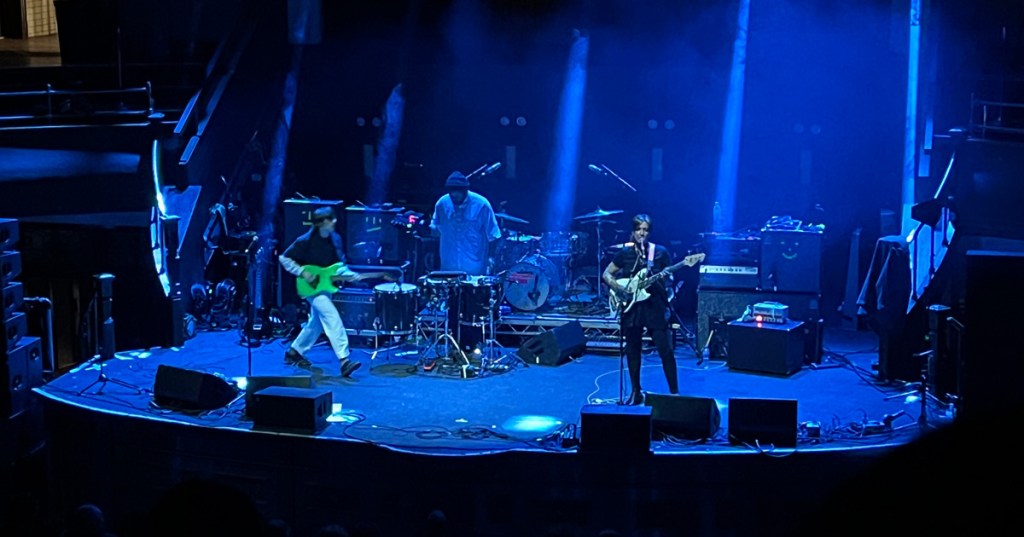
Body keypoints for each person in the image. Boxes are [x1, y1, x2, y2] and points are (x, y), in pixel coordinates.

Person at [602, 213, 679, 405]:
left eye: (645, 229)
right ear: (633, 231)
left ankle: (675, 393)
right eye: (638, 229)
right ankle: (636, 391)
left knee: (665, 349)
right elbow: (607, 274)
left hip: (654, 305)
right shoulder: (625, 254)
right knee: (633, 349)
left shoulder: (660, 252)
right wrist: (619, 288)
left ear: (650, 232)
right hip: (632, 307)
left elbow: (671, 280)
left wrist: (664, 279)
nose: (642, 233)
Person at [279, 206, 364, 377]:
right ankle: (344, 360)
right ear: (321, 223)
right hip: (310, 288)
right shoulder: (305, 240)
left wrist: (350, 275)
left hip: (325, 286)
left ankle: (294, 351)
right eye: (331, 219)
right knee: (331, 317)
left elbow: (338, 266)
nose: (334, 222)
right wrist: (302, 271)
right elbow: (284, 257)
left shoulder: (335, 239)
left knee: (316, 323)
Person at [429, 171, 502, 275]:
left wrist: (491, 259)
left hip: (474, 270)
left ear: (465, 191)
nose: (453, 195)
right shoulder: (442, 203)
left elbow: (494, 236)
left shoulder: (482, 205)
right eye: (451, 191)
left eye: (457, 192)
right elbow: (435, 230)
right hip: (447, 270)